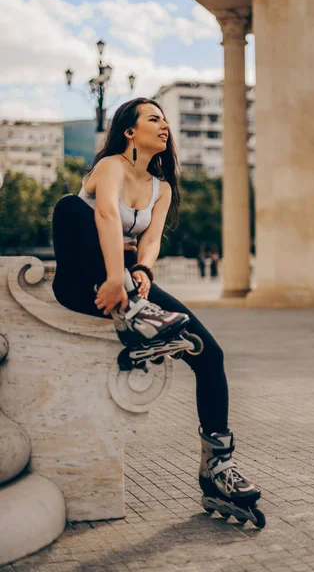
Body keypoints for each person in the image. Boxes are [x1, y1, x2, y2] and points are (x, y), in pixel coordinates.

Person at [51, 98, 263, 526]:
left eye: (166, 120)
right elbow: (107, 214)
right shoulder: (110, 165)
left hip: (127, 287)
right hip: (83, 282)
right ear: (130, 130)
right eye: (154, 118)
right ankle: (137, 323)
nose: (164, 126)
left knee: (209, 353)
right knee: (70, 208)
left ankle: (216, 470)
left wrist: (142, 270)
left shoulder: (160, 187)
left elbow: (150, 239)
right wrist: (116, 278)